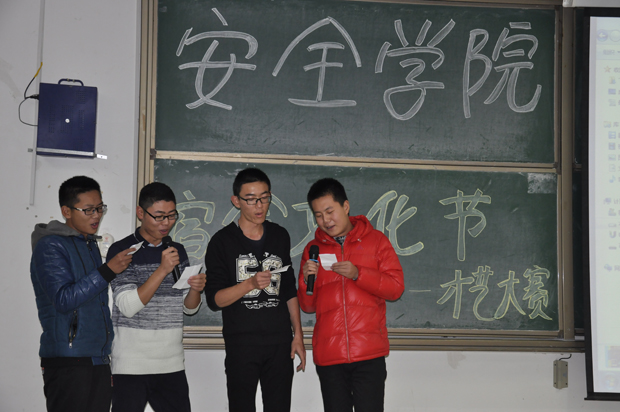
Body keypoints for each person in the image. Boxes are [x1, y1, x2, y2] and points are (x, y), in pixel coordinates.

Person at [298, 177, 405, 412]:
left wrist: (359, 274)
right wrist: (306, 280)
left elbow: (396, 288)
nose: (325, 220)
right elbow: (307, 306)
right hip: (330, 355)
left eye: (330, 211)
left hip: (368, 353)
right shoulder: (312, 249)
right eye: (318, 215)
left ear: (345, 206)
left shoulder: (377, 241)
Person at [204, 167, 306, 412]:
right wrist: (249, 284)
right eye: (251, 199)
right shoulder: (221, 242)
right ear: (236, 201)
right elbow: (215, 300)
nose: (259, 206)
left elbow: (289, 290)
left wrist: (298, 336)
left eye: (265, 197)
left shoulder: (280, 235)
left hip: (279, 343)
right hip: (242, 344)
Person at [30, 176, 134, 412]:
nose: (96, 216)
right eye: (88, 210)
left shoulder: (88, 245)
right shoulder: (50, 245)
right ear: (66, 211)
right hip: (68, 361)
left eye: (100, 208)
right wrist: (107, 270)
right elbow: (63, 299)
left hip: (97, 358)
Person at [106, 182, 206, 412]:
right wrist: (162, 270)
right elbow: (128, 306)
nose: (166, 223)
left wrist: (195, 289)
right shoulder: (122, 251)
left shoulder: (177, 250)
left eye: (171, 216)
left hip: (171, 363)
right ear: (141, 213)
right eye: (159, 216)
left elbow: (189, 309)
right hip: (131, 366)